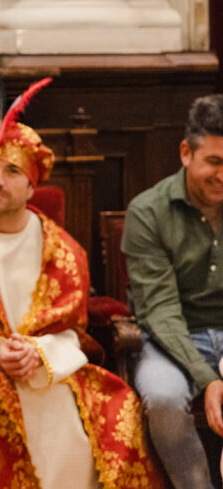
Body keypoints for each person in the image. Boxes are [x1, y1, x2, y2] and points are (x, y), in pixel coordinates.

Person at [0, 83, 162, 488]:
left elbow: (73, 332)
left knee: (116, 408)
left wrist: (36, 352)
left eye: (12, 171)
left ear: (32, 184)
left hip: (48, 371)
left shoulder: (63, 251)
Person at [124, 94, 223, 488]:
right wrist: (209, 377)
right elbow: (160, 311)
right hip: (171, 338)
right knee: (163, 399)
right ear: (186, 152)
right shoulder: (147, 212)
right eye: (214, 162)